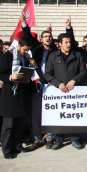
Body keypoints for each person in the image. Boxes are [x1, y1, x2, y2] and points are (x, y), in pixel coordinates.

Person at [21, 12, 57, 150]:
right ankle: (37, 138)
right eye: (45, 36)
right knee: (35, 113)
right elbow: (28, 37)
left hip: (50, 85)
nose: (48, 38)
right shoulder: (36, 48)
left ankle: (49, 138)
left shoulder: (55, 51)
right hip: (35, 84)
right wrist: (25, 23)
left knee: (50, 112)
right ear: (41, 39)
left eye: (49, 36)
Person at [0, 37, 38, 159]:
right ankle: (7, 149)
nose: (26, 52)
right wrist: (11, 77)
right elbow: (0, 74)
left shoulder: (26, 58)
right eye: (25, 50)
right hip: (10, 95)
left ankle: (18, 145)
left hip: (22, 95)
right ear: (19, 46)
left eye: (28, 50)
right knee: (8, 124)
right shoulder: (7, 57)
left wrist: (33, 66)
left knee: (20, 123)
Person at [45, 33, 86, 150]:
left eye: (69, 42)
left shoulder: (77, 55)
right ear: (59, 44)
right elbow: (47, 74)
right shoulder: (53, 56)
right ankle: (58, 140)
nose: (68, 45)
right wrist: (58, 84)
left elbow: (83, 72)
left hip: (74, 92)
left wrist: (74, 80)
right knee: (60, 116)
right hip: (59, 93)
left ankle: (75, 139)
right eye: (66, 42)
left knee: (74, 116)